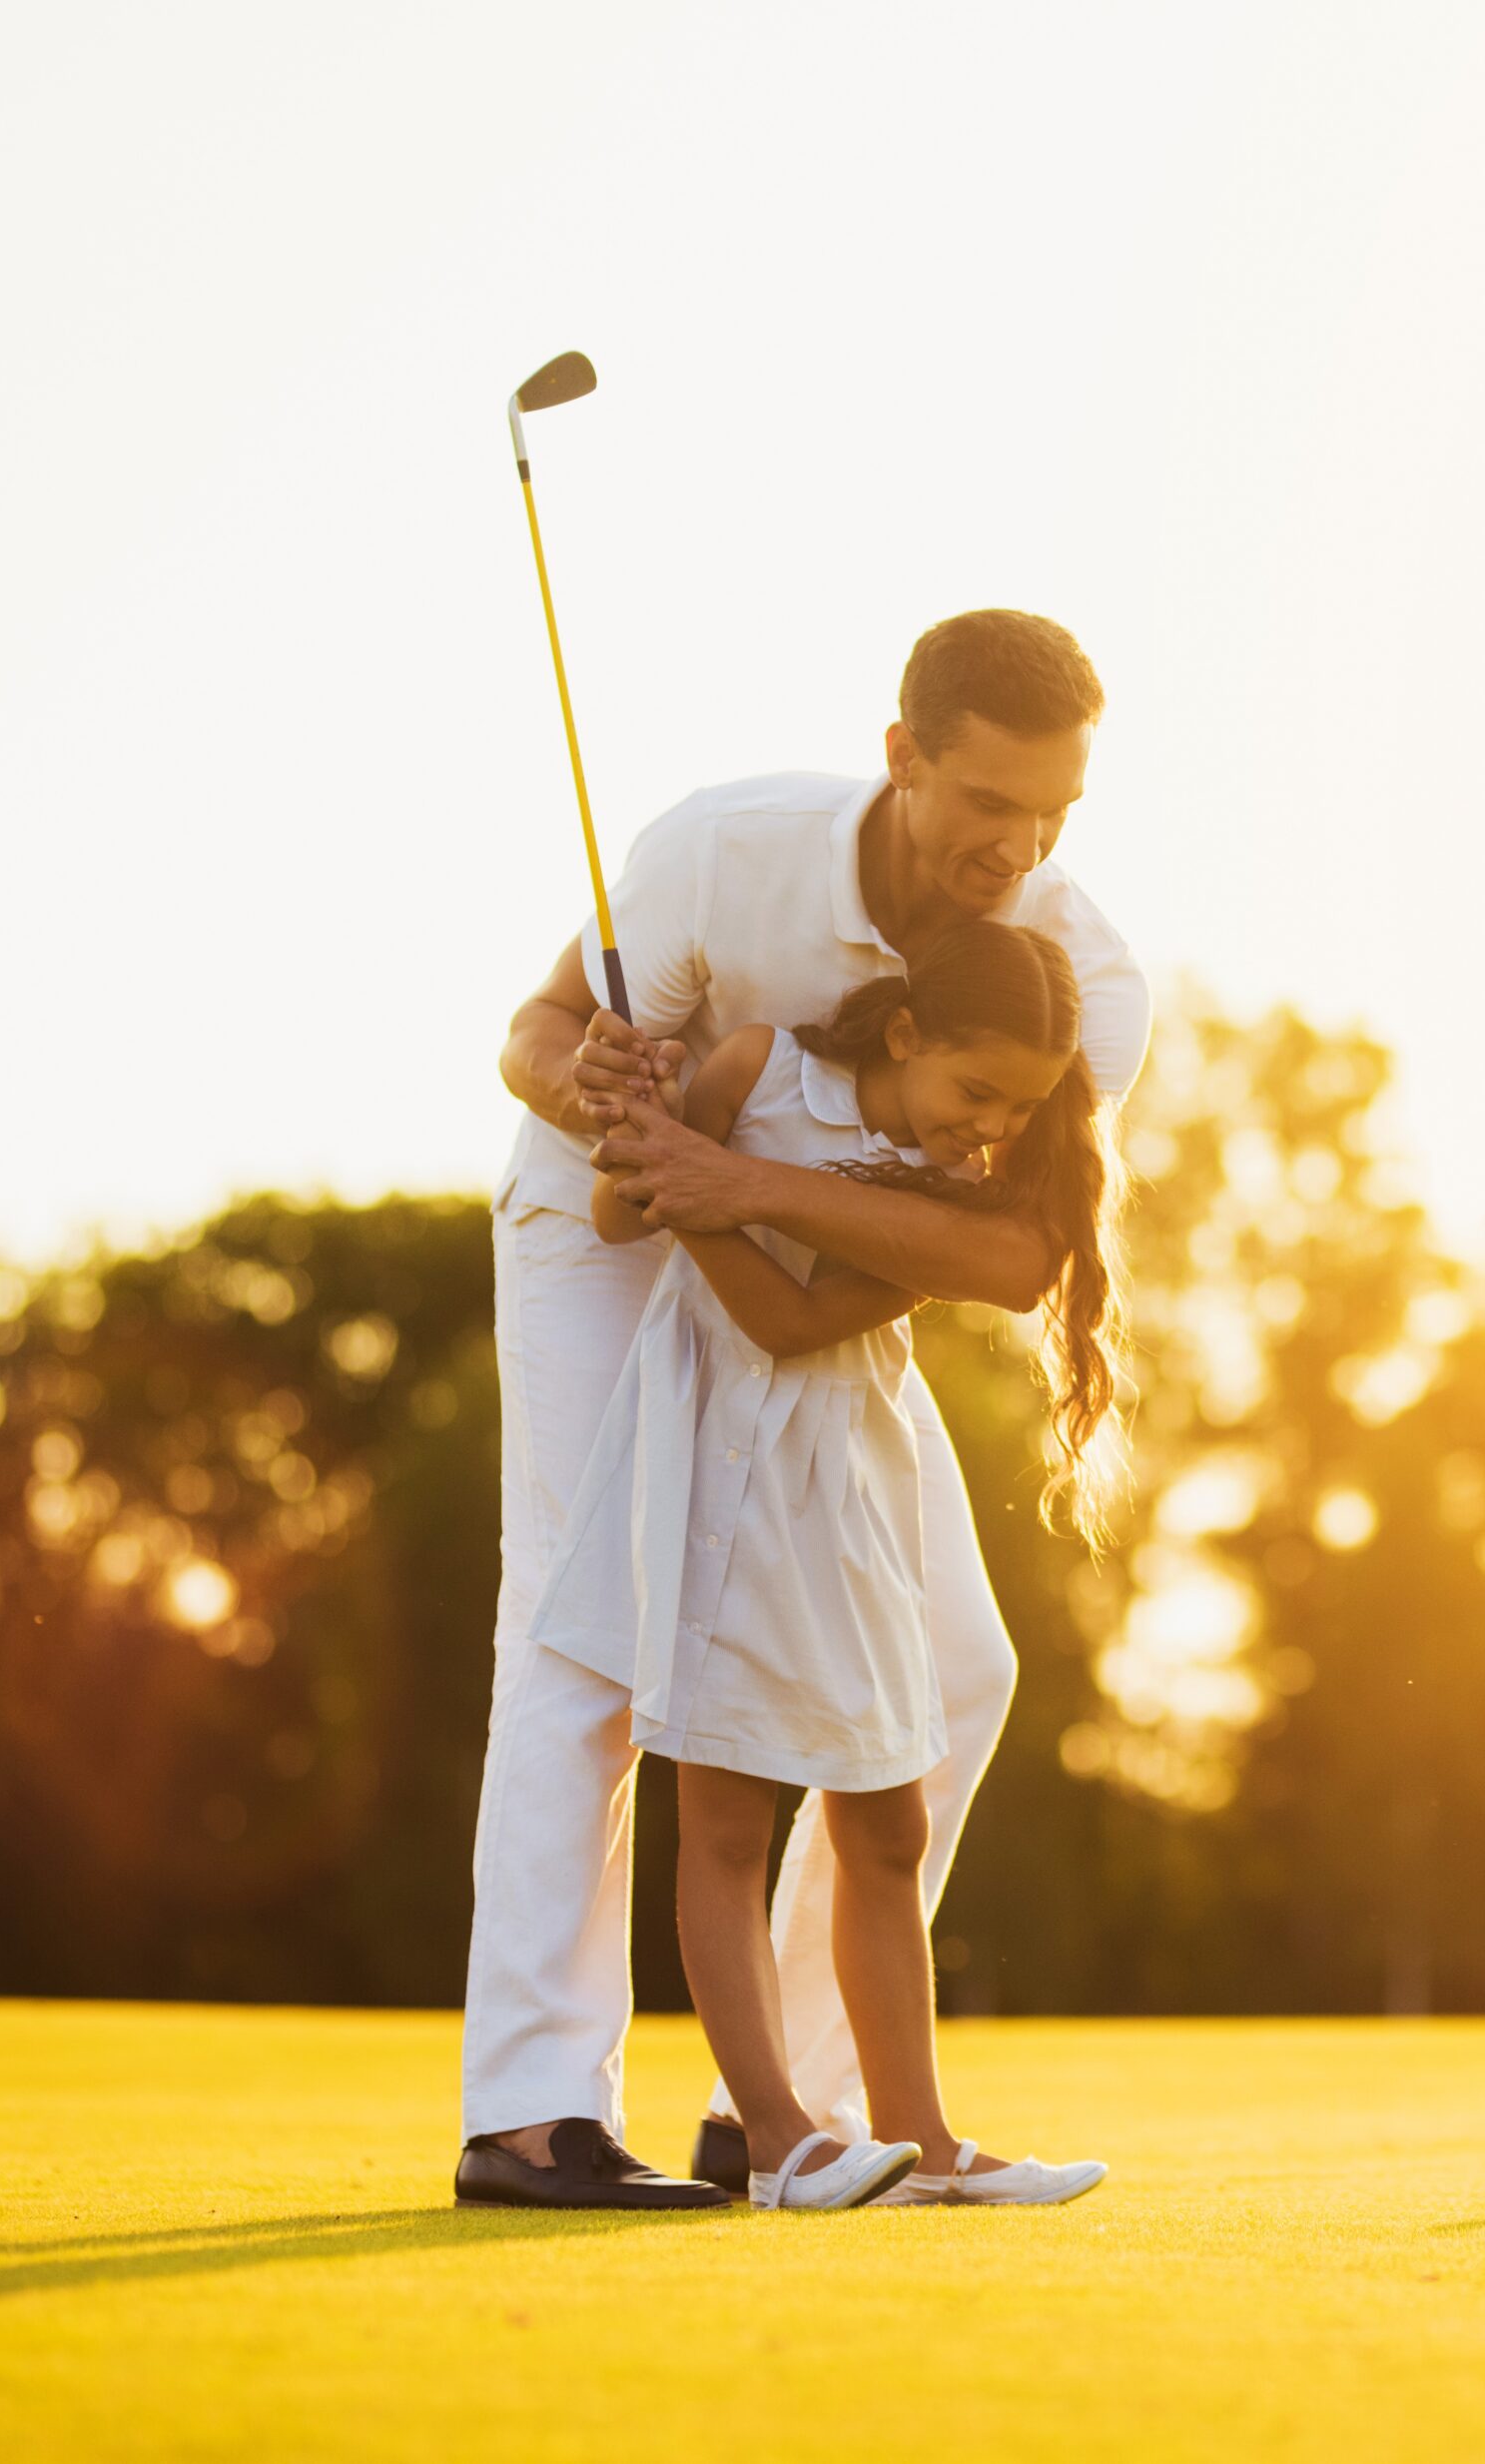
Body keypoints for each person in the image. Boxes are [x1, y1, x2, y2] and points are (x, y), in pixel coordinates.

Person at [455, 610, 1147, 2210]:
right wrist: (607, 1092)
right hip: (605, 1233)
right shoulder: (724, 847)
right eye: (989, 800)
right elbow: (532, 1032)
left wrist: (739, 1179)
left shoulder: (1075, 976)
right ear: (903, 753)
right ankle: (534, 2110)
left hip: (812, 1266)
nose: (1019, 845)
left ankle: (806, 2110)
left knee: (960, 1666)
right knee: (589, 1633)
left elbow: (1017, 1249)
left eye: (1053, 813)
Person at [532, 927, 1124, 2207]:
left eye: (1019, 1108)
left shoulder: (942, 1191)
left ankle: (918, 2137)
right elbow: (611, 1205)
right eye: (978, 1093)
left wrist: (711, 1191)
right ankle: (776, 2133)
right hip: (714, 1471)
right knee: (730, 1817)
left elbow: (791, 1318)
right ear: (906, 1036)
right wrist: (640, 1134)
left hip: (844, 1490)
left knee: (891, 1822)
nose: (992, 1128)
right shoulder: (754, 1067)